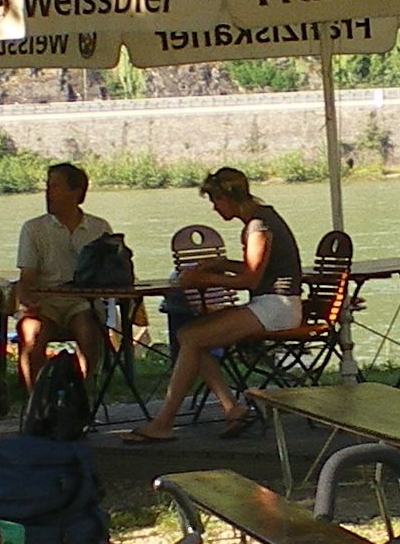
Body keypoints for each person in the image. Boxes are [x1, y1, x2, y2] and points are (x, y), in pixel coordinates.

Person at [123, 169, 306, 442]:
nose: (214, 207)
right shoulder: (263, 219)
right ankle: (232, 407)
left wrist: (202, 277)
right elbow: (255, 269)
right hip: (272, 304)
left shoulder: (258, 226)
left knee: (194, 337)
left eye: (215, 200)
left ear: (227, 197)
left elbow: (250, 279)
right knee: (189, 337)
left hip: (276, 307)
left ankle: (163, 423)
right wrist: (220, 265)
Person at [11, 161, 116, 384]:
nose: (47, 194)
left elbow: (110, 273)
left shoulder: (100, 228)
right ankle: (36, 402)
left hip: (81, 301)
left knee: (89, 332)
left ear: (76, 192)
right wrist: (28, 302)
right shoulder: (33, 229)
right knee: (32, 336)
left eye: (55, 187)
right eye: (47, 187)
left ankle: (86, 394)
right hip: (45, 301)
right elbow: (26, 277)